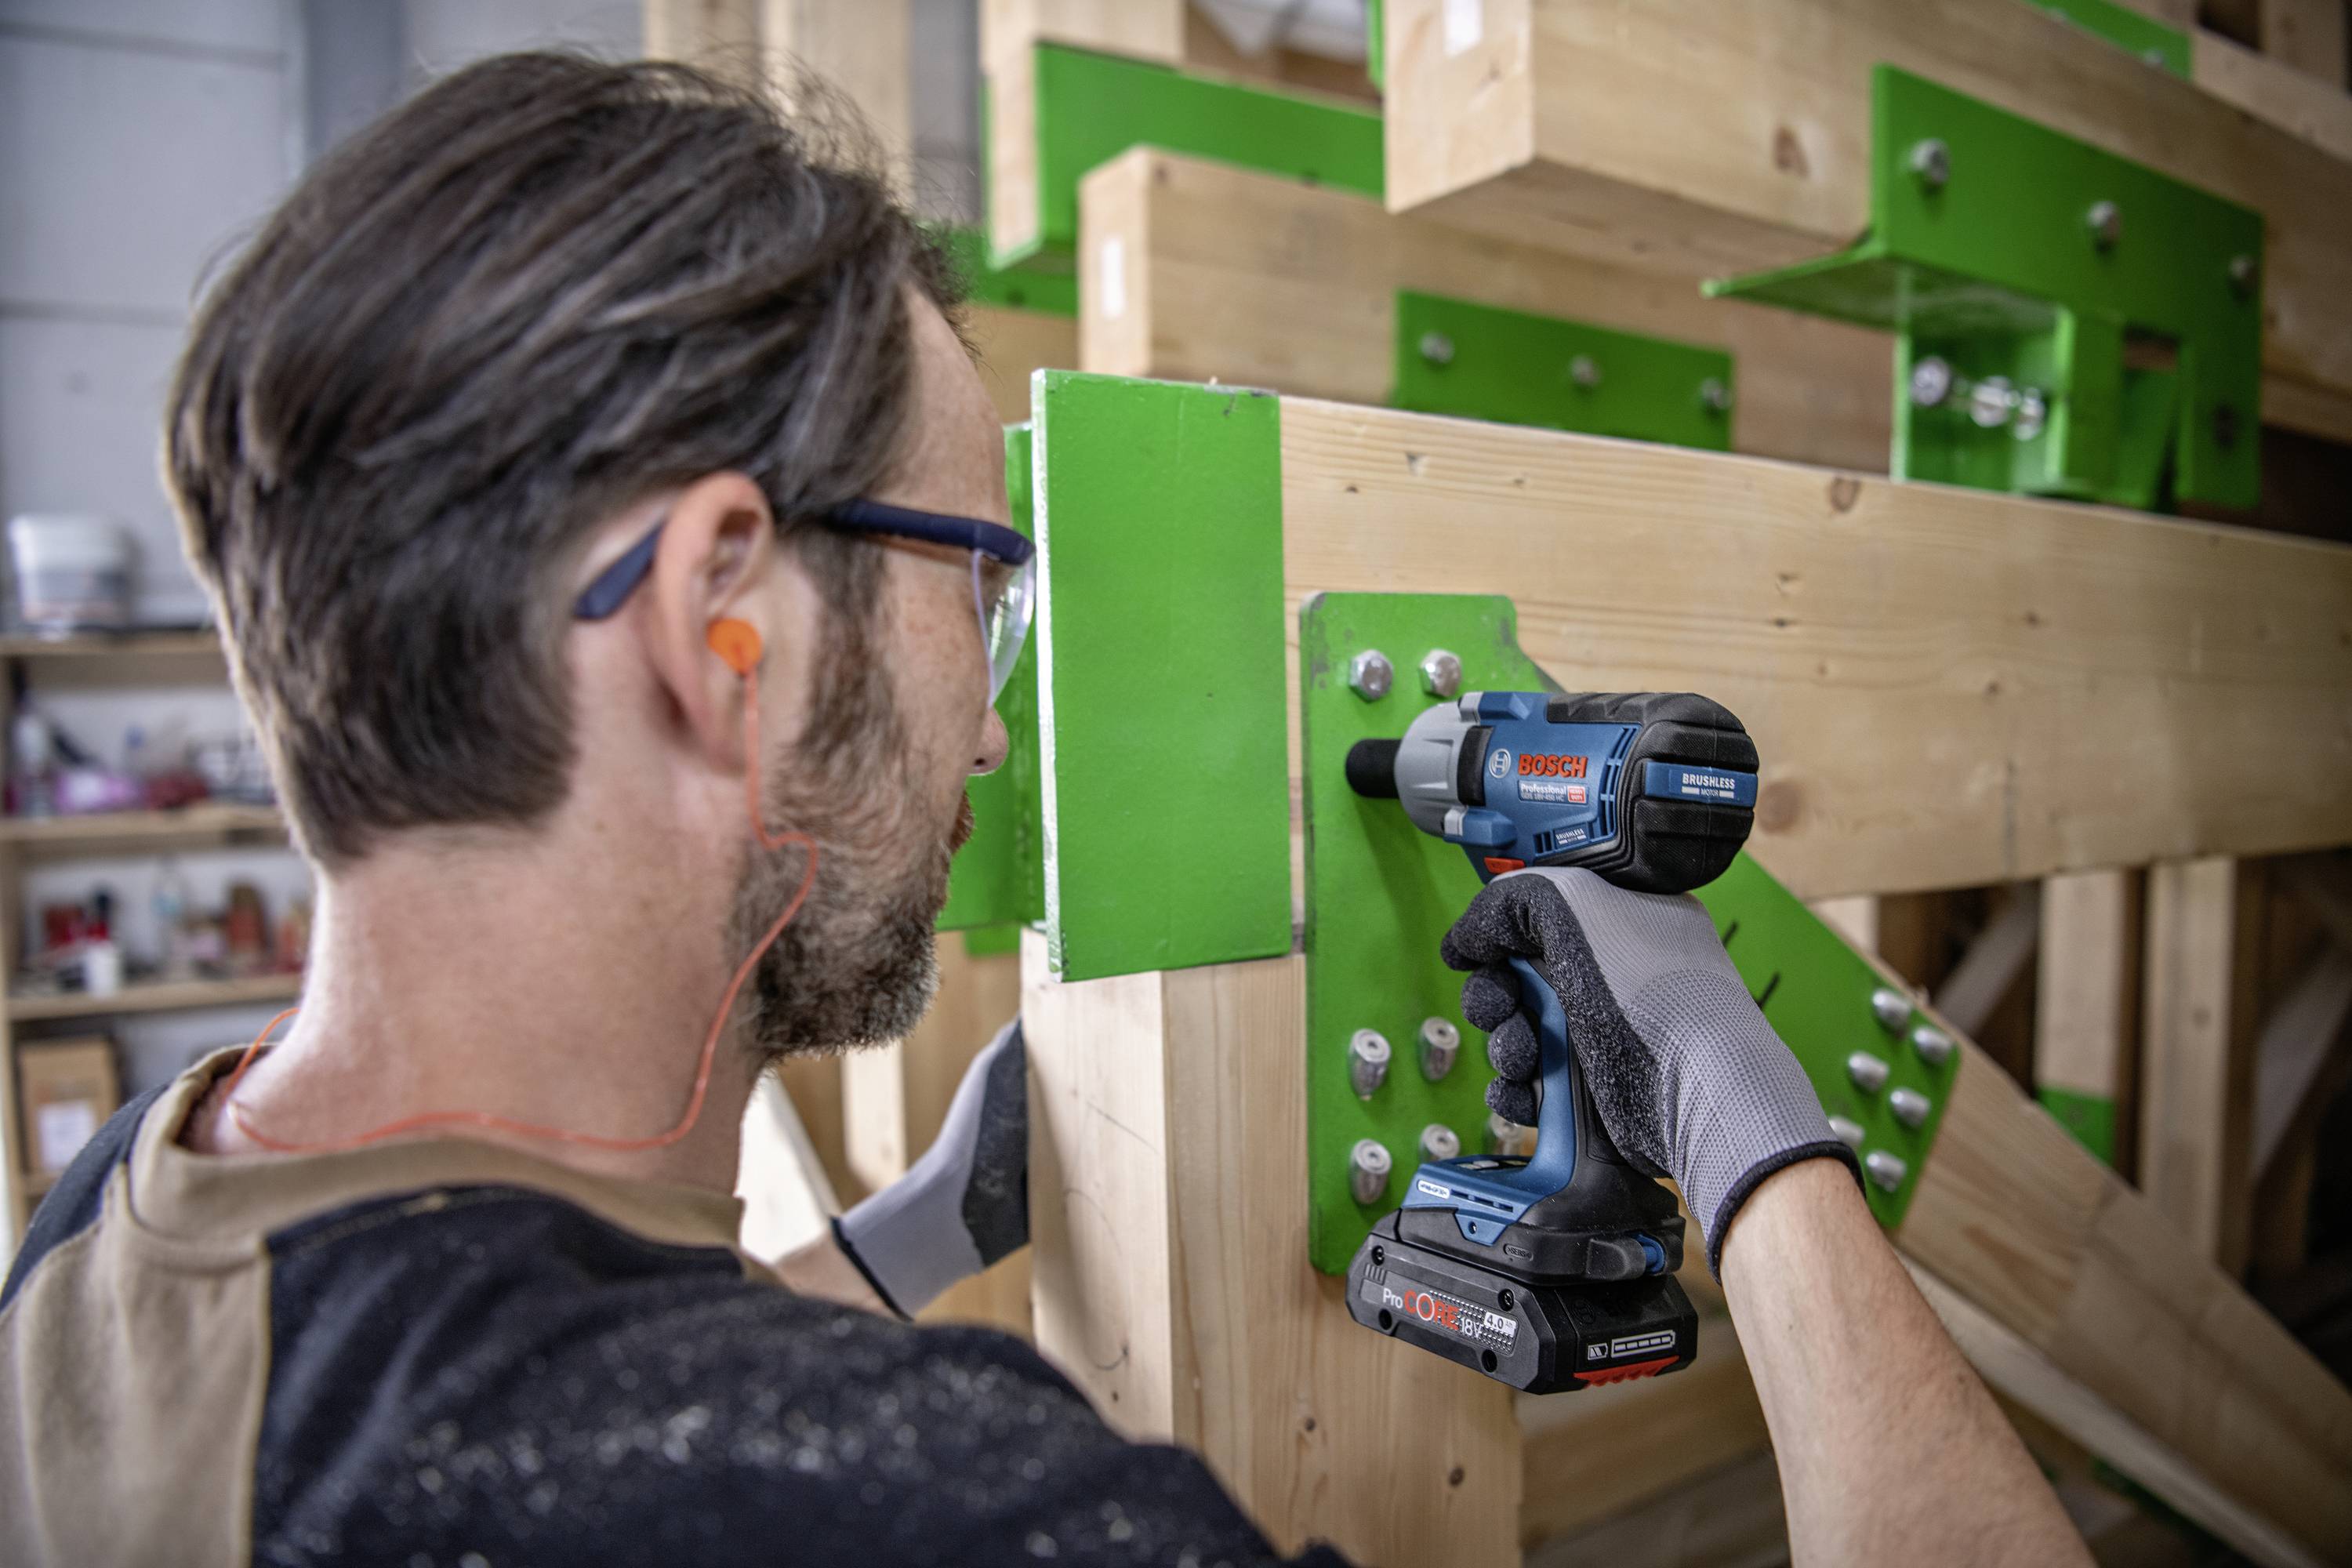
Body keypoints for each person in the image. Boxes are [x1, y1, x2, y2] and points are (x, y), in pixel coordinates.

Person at [0, 52, 2092, 1568]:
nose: (999, 741)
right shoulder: (941, 1513)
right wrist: (1754, 1138)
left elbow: (515, 1395)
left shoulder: (119, 1222)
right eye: (978, 583)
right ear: (725, 620)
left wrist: (905, 1242)